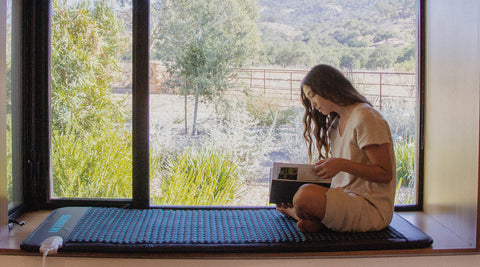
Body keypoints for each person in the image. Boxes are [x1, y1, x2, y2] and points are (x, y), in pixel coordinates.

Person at [277, 64, 396, 233]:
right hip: (345, 197)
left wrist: (340, 164)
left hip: (371, 207)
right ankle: (310, 216)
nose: (313, 104)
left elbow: (385, 174)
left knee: (304, 196)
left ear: (327, 88)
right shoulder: (335, 124)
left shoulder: (366, 116)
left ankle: (301, 214)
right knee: (299, 193)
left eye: (313, 96)